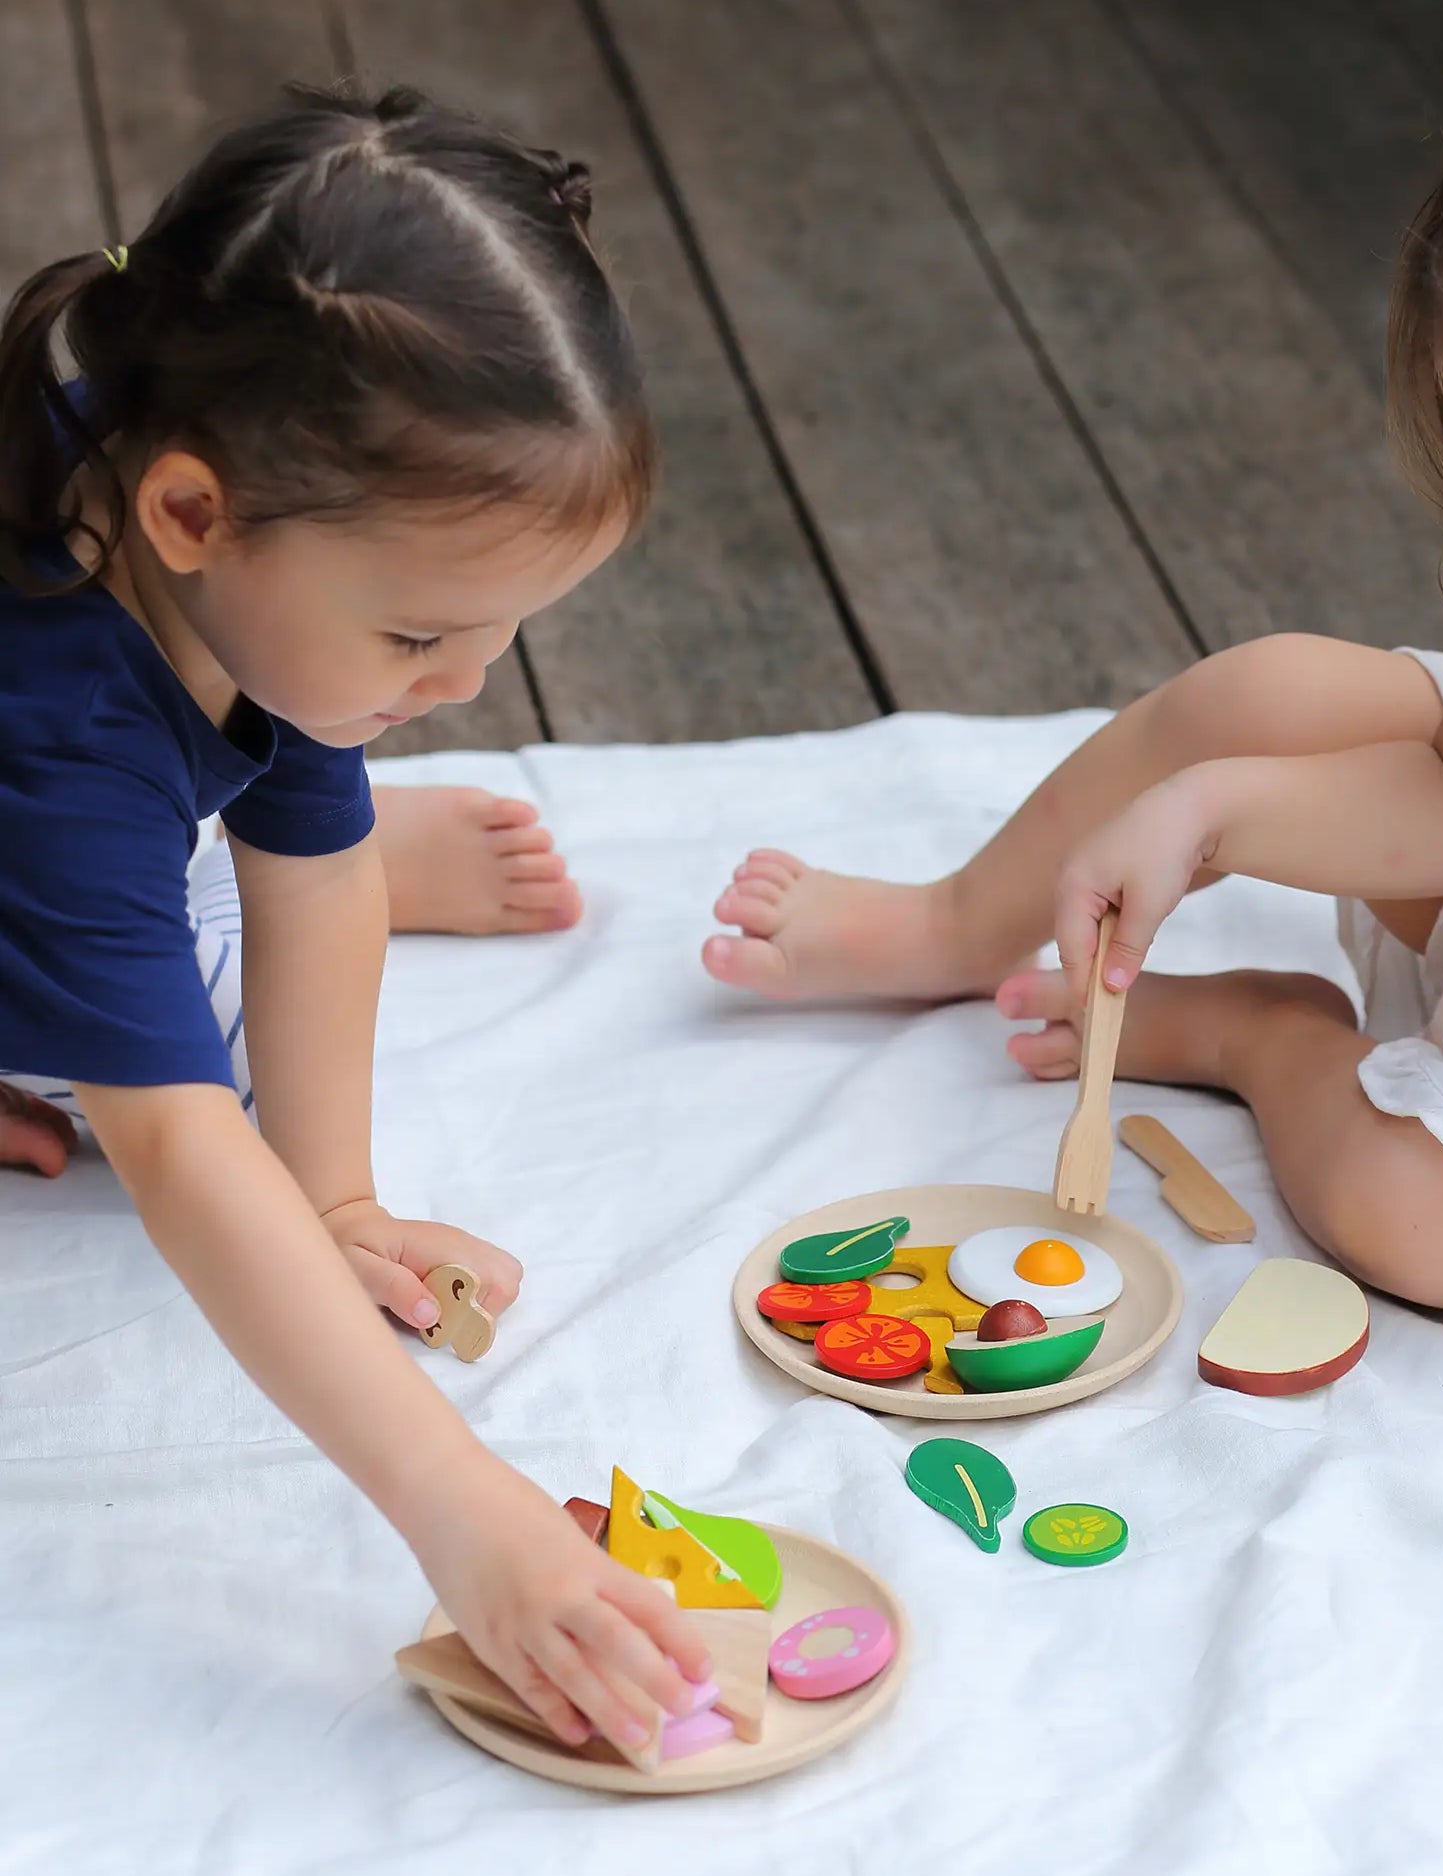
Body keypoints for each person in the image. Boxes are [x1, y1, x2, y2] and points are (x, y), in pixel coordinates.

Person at [703, 3, 1443, 1452]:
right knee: (1265, 701)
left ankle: (1268, 1037)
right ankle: (948, 923)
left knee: (1400, 1219)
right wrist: (1212, 810)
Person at [0, 84, 709, 1746]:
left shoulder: (228, 509)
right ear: (189, 519)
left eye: (498, 640)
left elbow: (307, 854)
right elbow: (179, 1153)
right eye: (414, 642)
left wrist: (338, 1198)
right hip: (43, 827)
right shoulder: (66, 740)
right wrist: (462, 1508)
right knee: (154, 1067)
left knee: (254, 909)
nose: (464, 685)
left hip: (82, 823)